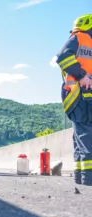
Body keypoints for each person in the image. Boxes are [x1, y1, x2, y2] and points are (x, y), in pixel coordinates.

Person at [55, 14, 92, 186]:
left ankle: (81, 177)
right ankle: (88, 178)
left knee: (80, 135)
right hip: (79, 96)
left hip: (82, 97)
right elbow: (62, 57)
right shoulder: (79, 38)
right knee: (86, 135)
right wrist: (82, 75)